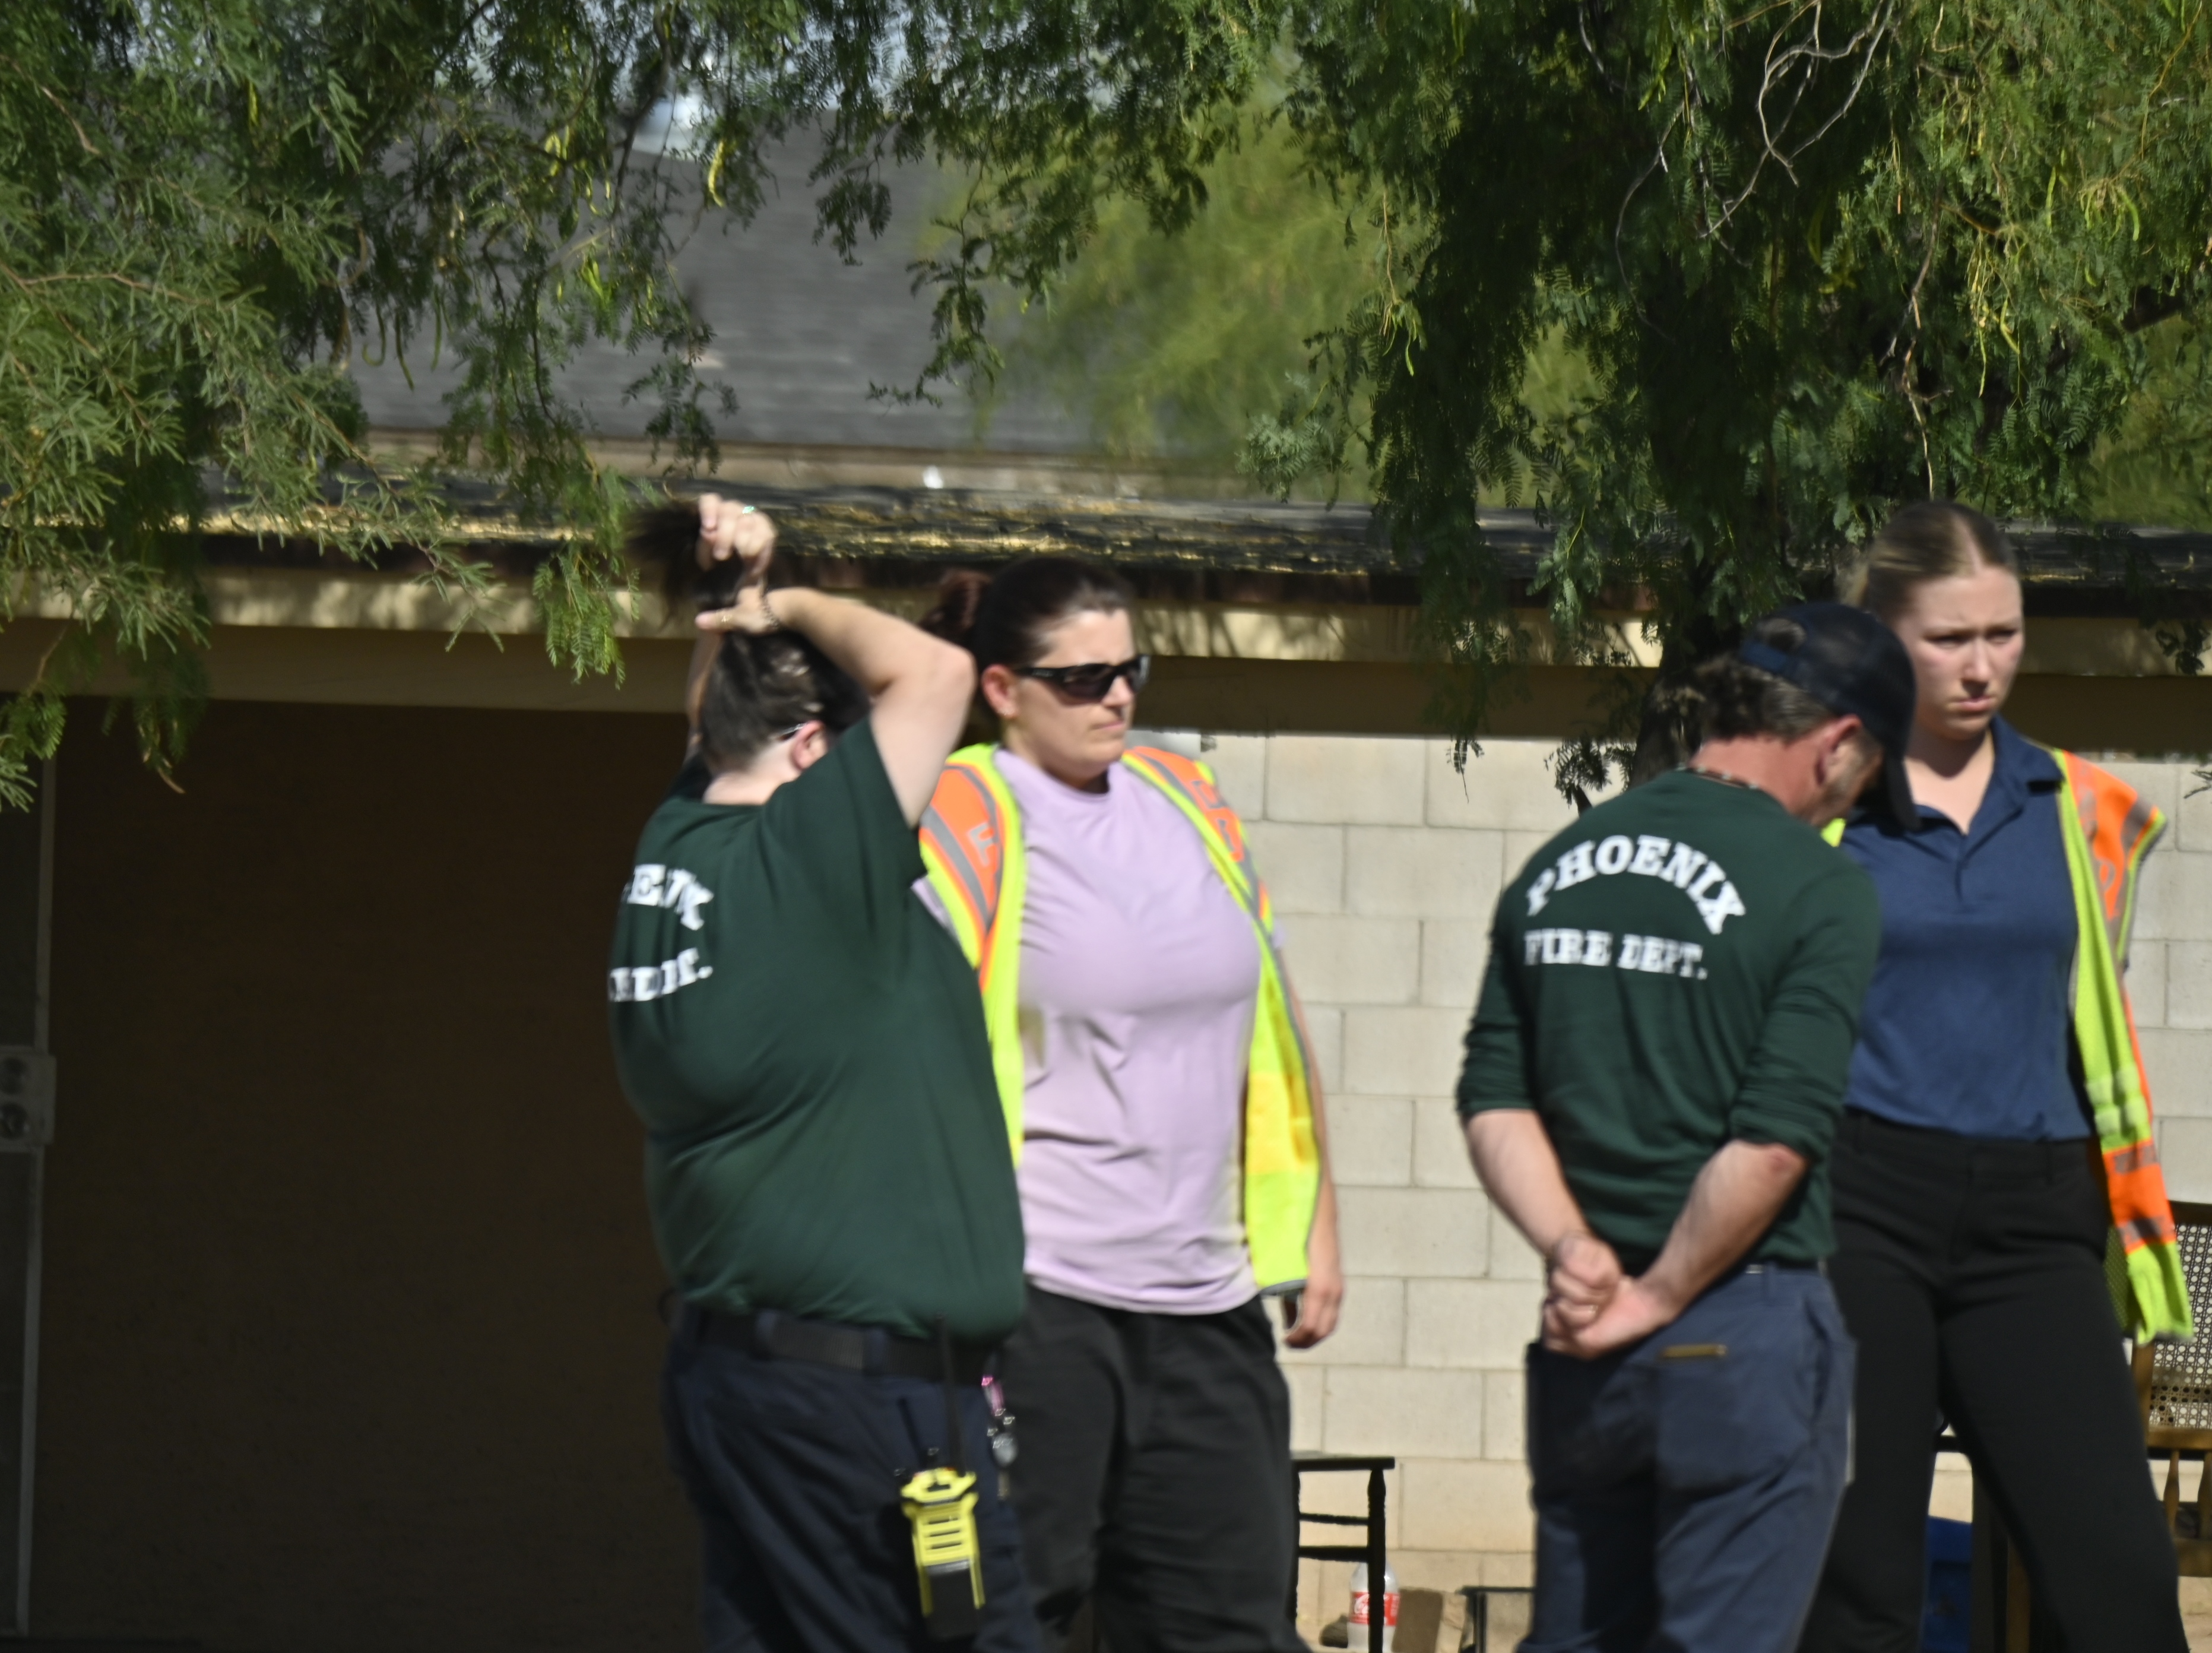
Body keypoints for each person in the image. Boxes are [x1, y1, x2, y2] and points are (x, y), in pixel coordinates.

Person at [608, 496, 1037, 1653]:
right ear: (811, 751)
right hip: (859, 1406)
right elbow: (938, 676)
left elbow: (712, 722)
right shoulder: (808, 859)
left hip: (743, 1381)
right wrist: (783, 603)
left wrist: (731, 603)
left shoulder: (676, 846)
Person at [1460, 601, 1918, 1653]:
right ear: (1838, 742)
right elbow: (1775, 1140)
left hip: (1582, 1341)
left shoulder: (1559, 862)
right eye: (1864, 778)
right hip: (1736, 1331)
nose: (1850, 802)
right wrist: (1658, 1296)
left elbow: (1492, 1096)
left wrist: (1574, 1253)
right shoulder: (1820, 888)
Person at [911, 557, 1340, 1653]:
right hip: (1041, 1296)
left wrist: (1316, 1223)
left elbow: (1273, 1010)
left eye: (1131, 670)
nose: (1116, 696)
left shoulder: (1183, 796)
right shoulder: (962, 808)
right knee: (1010, 1617)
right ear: (1002, 689)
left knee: (1228, 1622)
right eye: (1083, 677)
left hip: (1206, 1300)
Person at [1799, 502, 2189, 1653]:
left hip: (2034, 1217)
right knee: (1854, 1591)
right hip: (1856, 1210)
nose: (1982, 667)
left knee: (2120, 1583)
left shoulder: (2079, 806)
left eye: (2002, 634)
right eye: (1949, 639)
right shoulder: (1813, 804)